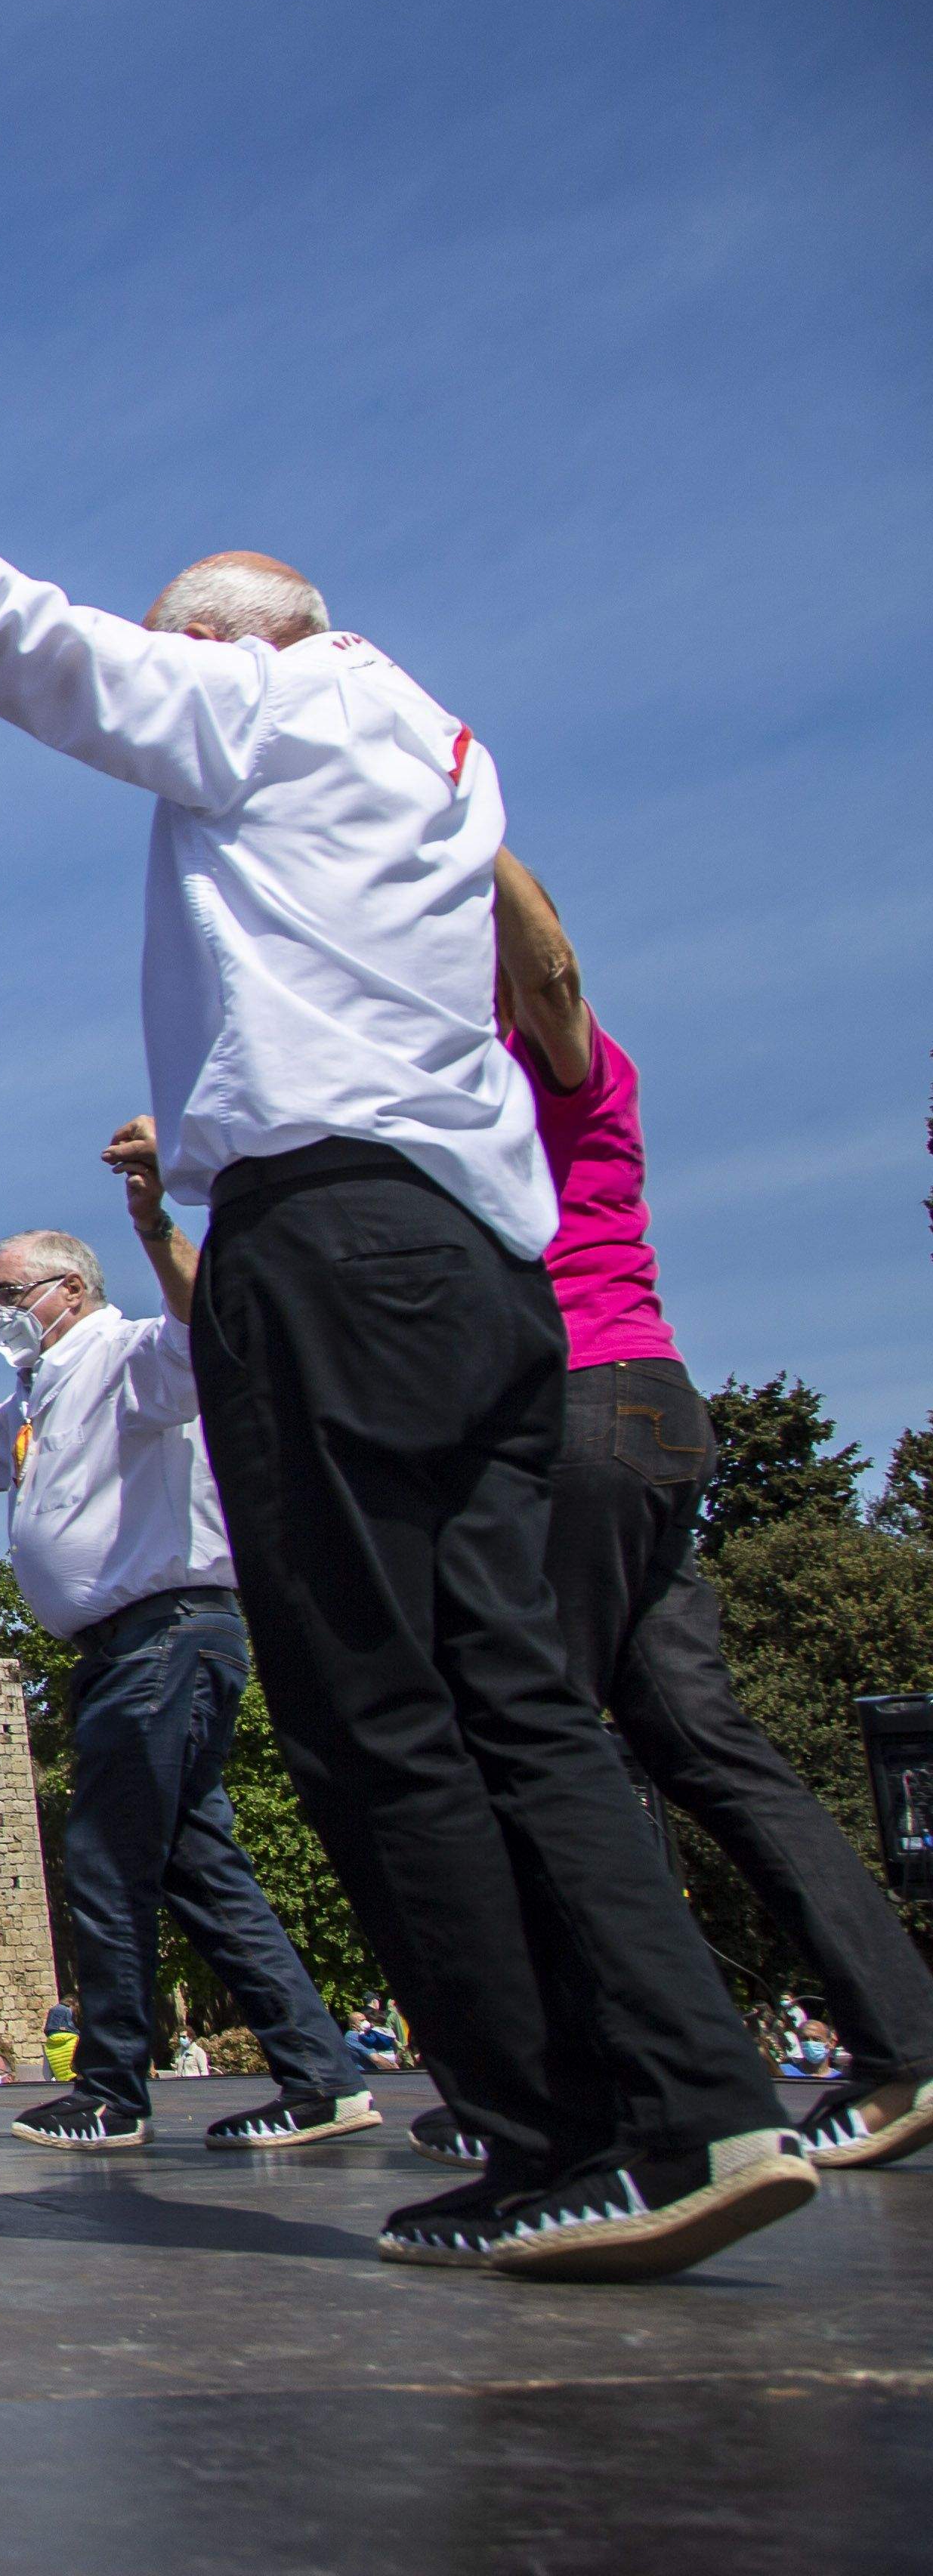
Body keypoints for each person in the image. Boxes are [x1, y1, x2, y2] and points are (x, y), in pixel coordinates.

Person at [0, 379, 812, 2280]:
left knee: (371, 1703)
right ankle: (694, 2100)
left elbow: (13, 637)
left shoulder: (262, 707)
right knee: (517, 1690)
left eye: (169, 644)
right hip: (477, 1258)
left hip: (320, 1234)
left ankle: (542, 2135)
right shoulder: (445, 756)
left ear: (212, 642)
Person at [446, 851, 932, 2173]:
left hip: (585, 1410)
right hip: (647, 1415)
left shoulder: (559, 1060)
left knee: (526, 1730)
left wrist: (466, 828)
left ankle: (620, 2077)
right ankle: (902, 2048)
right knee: (700, 1740)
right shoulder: (475, 1104)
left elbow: (549, 966)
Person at [0, 1151, 373, 2158]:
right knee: (198, 1865)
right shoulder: (35, 1395)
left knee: (105, 1857)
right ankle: (321, 2076)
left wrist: (155, 1228)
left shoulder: (132, 1355)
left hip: (167, 1638)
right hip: (127, 1650)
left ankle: (112, 2090)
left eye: (7, 1293)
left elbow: (205, 1336)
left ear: (70, 1290)